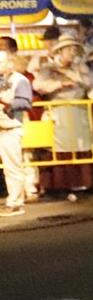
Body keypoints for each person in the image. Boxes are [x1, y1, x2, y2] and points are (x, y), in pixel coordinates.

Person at [32, 36, 93, 196]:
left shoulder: (80, 68)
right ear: (60, 51)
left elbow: (88, 83)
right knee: (59, 147)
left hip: (78, 111)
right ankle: (59, 185)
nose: (72, 52)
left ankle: (83, 184)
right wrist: (59, 84)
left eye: (74, 49)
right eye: (68, 49)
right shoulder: (48, 68)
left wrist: (70, 75)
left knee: (81, 146)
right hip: (58, 110)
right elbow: (38, 85)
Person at [0, 43, 33, 215]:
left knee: (12, 167)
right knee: (9, 168)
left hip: (10, 128)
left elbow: (25, 103)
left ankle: (15, 202)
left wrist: (7, 103)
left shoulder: (20, 80)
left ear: (9, 63)